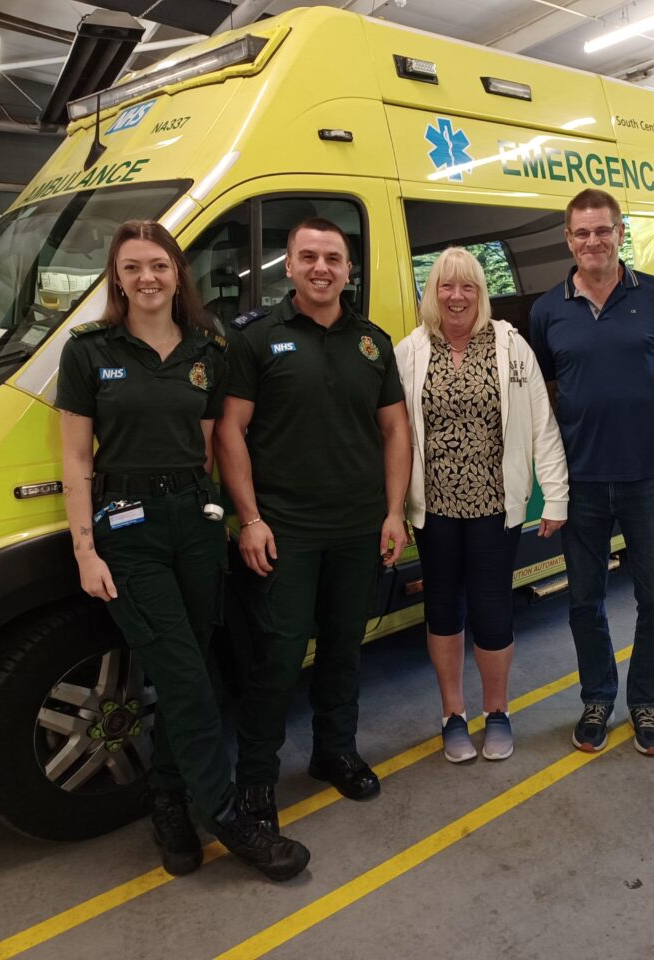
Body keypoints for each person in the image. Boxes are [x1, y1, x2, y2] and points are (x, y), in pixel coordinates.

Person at [57, 220, 309, 881]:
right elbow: (76, 457)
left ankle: (167, 804)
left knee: (188, 668)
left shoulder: (207, 348)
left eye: (159, 266)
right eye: (133, 267)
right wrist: (85, 548)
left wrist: (233, 514)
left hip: (194, 520)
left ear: (177, 275)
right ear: (117, 277)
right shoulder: (88, 352)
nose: (147, 278)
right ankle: (225, 815)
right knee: (188, 673)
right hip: (126, 525)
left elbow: (209, 443)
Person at [215, 217, 411, 830]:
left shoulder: (373, 342)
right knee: (276, 660)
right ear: (290, 265)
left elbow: (396, 430)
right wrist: (249, 519)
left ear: (349, 267)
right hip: (285, 532)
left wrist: (393, 512)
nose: (322, 267)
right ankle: (255, 782)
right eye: (309, 256)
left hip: (357, 528)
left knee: (344, 650)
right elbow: (230, 431)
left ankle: (335, 751)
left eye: (333, 257)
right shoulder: (254, 340)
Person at [529, 188, 654, 756]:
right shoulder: (547, 311)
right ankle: (597, 697)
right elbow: (553, 393)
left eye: (603, 230)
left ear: (622, 232)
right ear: (568, 240)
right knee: (583, 600)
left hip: (647, 474)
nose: (593, 241)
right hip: (583, 480)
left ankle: (645, 703)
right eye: (581, 233)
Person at [394, 247, 569, 763]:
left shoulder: (511, 347)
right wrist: (393, 508)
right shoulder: (410, 350)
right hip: (435, 510)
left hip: (495, 508)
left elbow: (542, 424)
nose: (456, 296)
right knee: (443, 610)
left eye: (467, 285)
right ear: (432, 293)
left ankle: (497, 711)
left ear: (481, 292)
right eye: (446, 286)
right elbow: (396, 434)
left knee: (493, 612)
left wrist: (554, 495)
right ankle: (452, 714)